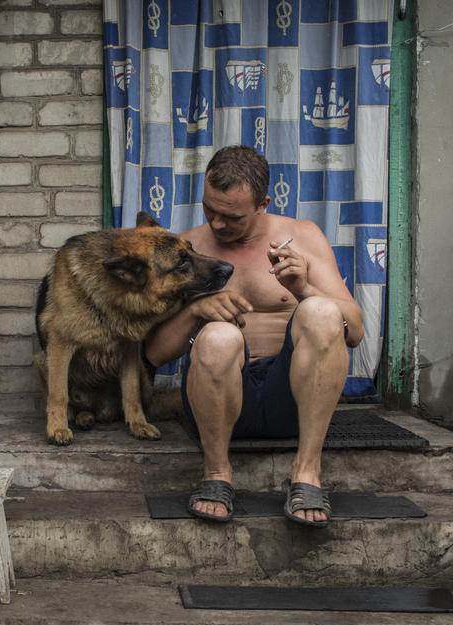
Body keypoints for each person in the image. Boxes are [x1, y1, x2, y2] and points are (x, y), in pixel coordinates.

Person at [145, 145, 364, 527]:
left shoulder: (302, 236)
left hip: (293, 404)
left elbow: (355, 331)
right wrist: (197, 310)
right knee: (218, 335)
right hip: (216, 405)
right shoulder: (189, 248)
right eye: (209, 210)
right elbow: (153, 355)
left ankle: (307, 473)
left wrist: (303, 290)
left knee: (321, 310)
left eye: (231, 217)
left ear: (262, 203)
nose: (216, 224)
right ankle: (216, 475)